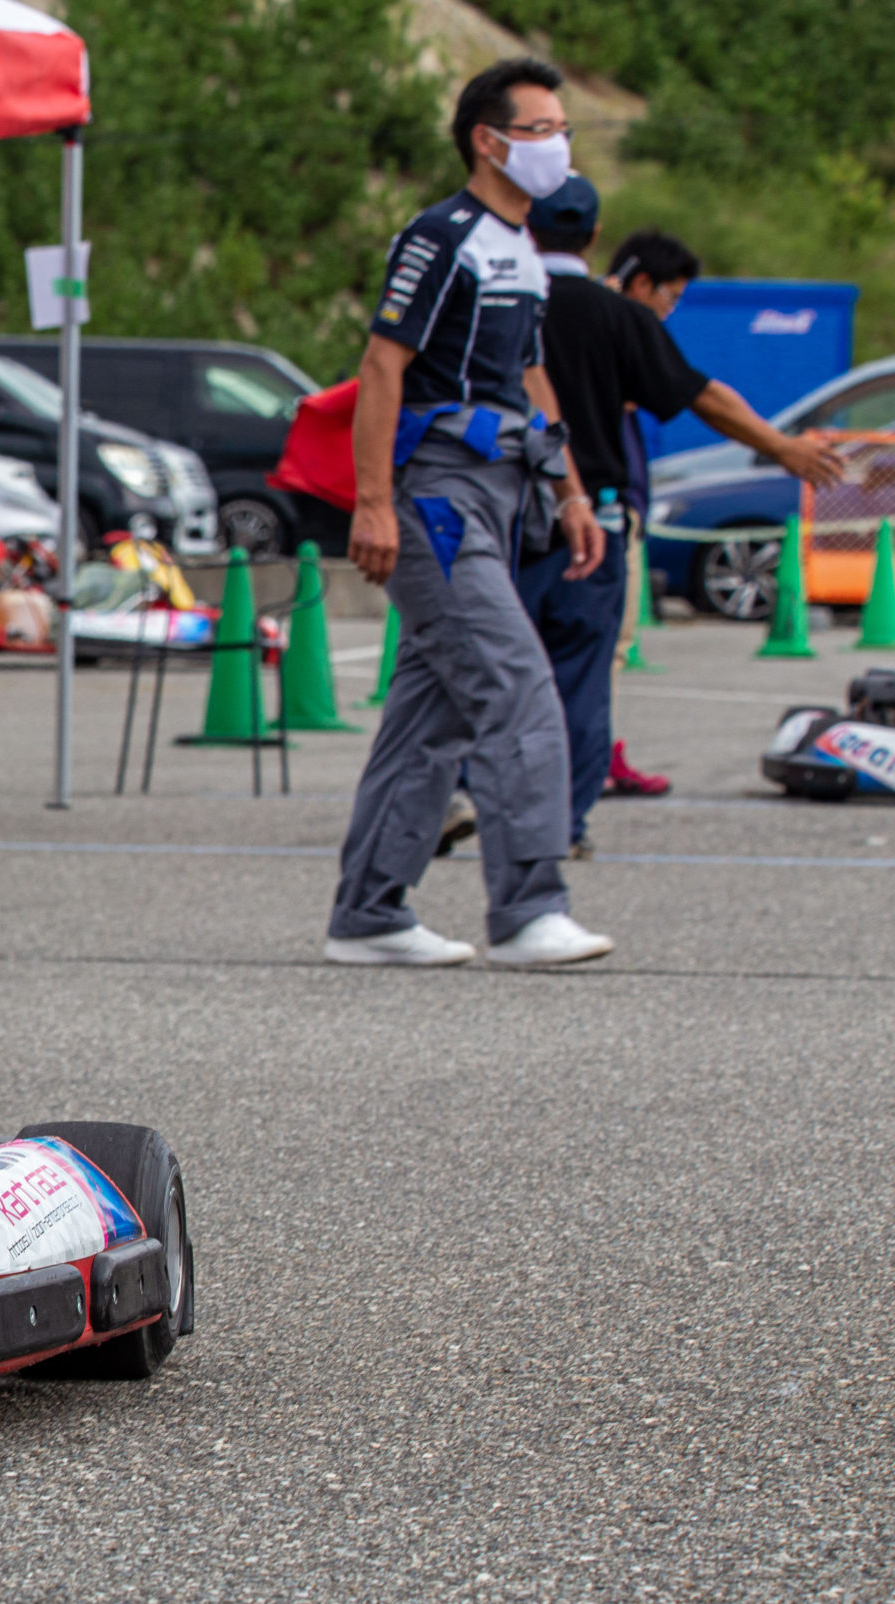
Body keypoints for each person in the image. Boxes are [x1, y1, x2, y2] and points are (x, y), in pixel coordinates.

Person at [325, 58, 612, 970]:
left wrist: (569, 490)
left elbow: (529, 377)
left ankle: (369, 914)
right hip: (438, 495)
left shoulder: (520, 247)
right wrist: (375, 502)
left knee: (433, 716)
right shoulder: (439, 238)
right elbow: (383, 365)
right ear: (488, 142)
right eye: (542, 130)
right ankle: (529, 909)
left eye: (564, 129)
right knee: (516, 686)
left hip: (500, 489)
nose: (559, 145)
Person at [518, 184, 845, 857]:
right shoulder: (619, 317)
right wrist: (781, 447)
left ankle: (464, 792)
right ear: (595, 235)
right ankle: (562, 824)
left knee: (488, 666)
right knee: (582, 675)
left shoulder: (499, 305)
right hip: (591, 525)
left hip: (498, 518)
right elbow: (702, 395)